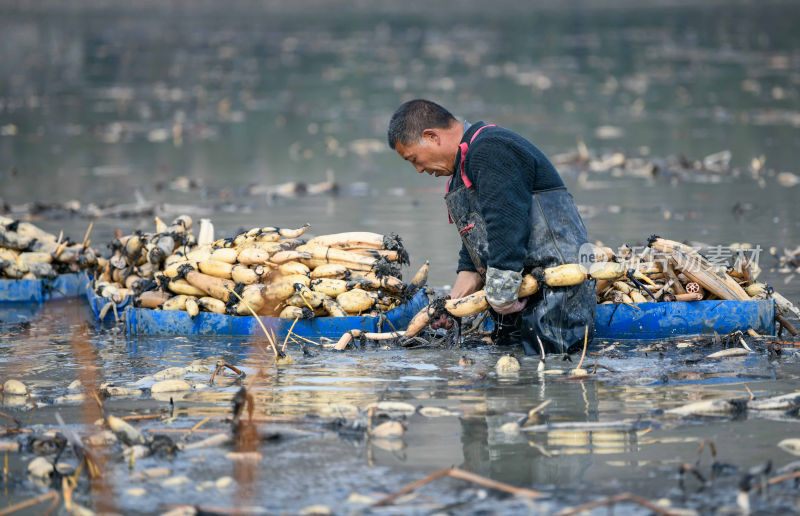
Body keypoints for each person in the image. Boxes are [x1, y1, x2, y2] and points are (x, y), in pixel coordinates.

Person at [387, 99, 595, 354]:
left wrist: (502, 295)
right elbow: (477, 247)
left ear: (431, 137)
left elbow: (506, 222)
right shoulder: (460, 172)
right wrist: (452, 307)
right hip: (516, 299)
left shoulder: (491, 148)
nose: (418, 169)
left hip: (558, 295)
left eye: (414, 159)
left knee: (549, 372)